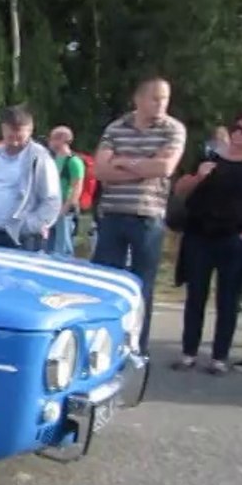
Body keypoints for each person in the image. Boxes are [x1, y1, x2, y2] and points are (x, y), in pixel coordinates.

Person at [92, 76, 187, 355]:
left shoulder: (173, 129)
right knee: (105, 282)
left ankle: (135, 349)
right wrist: (142, 166)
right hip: (112, 214)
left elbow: (165, 167)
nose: (161, 104)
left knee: (141, 287)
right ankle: (102, 344)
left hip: (147, 216)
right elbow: (100, 170)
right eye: (155, 98)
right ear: (139, 99)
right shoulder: (116, 128)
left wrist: (124, 162)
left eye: (165, 98)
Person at [169, 111, 242, 375]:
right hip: (199, 235)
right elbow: (180, 190)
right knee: (195, 297)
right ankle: (188, 353)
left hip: (233, 239)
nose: (238, 136)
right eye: (237, 128)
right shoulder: (209, 157)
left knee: (228, 300)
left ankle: (219, 357)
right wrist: (199, 176)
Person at [0, 104, 61, 250]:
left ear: (30, 130)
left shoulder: (40, 158)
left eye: (19, 132)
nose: (14, 137)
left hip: (22, 239)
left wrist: (28, 226)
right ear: (3, 129)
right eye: (10, 131)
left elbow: (51, 201)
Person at [45, 126, 86, 257]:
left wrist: (65, 208)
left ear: (63, 140)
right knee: (48, 245)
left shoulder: (74, 162)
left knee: (62, 246)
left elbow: (77, 187)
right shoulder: (52, 160)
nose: (50, 142)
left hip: (65, 208)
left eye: (53, 139)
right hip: (51, 207)